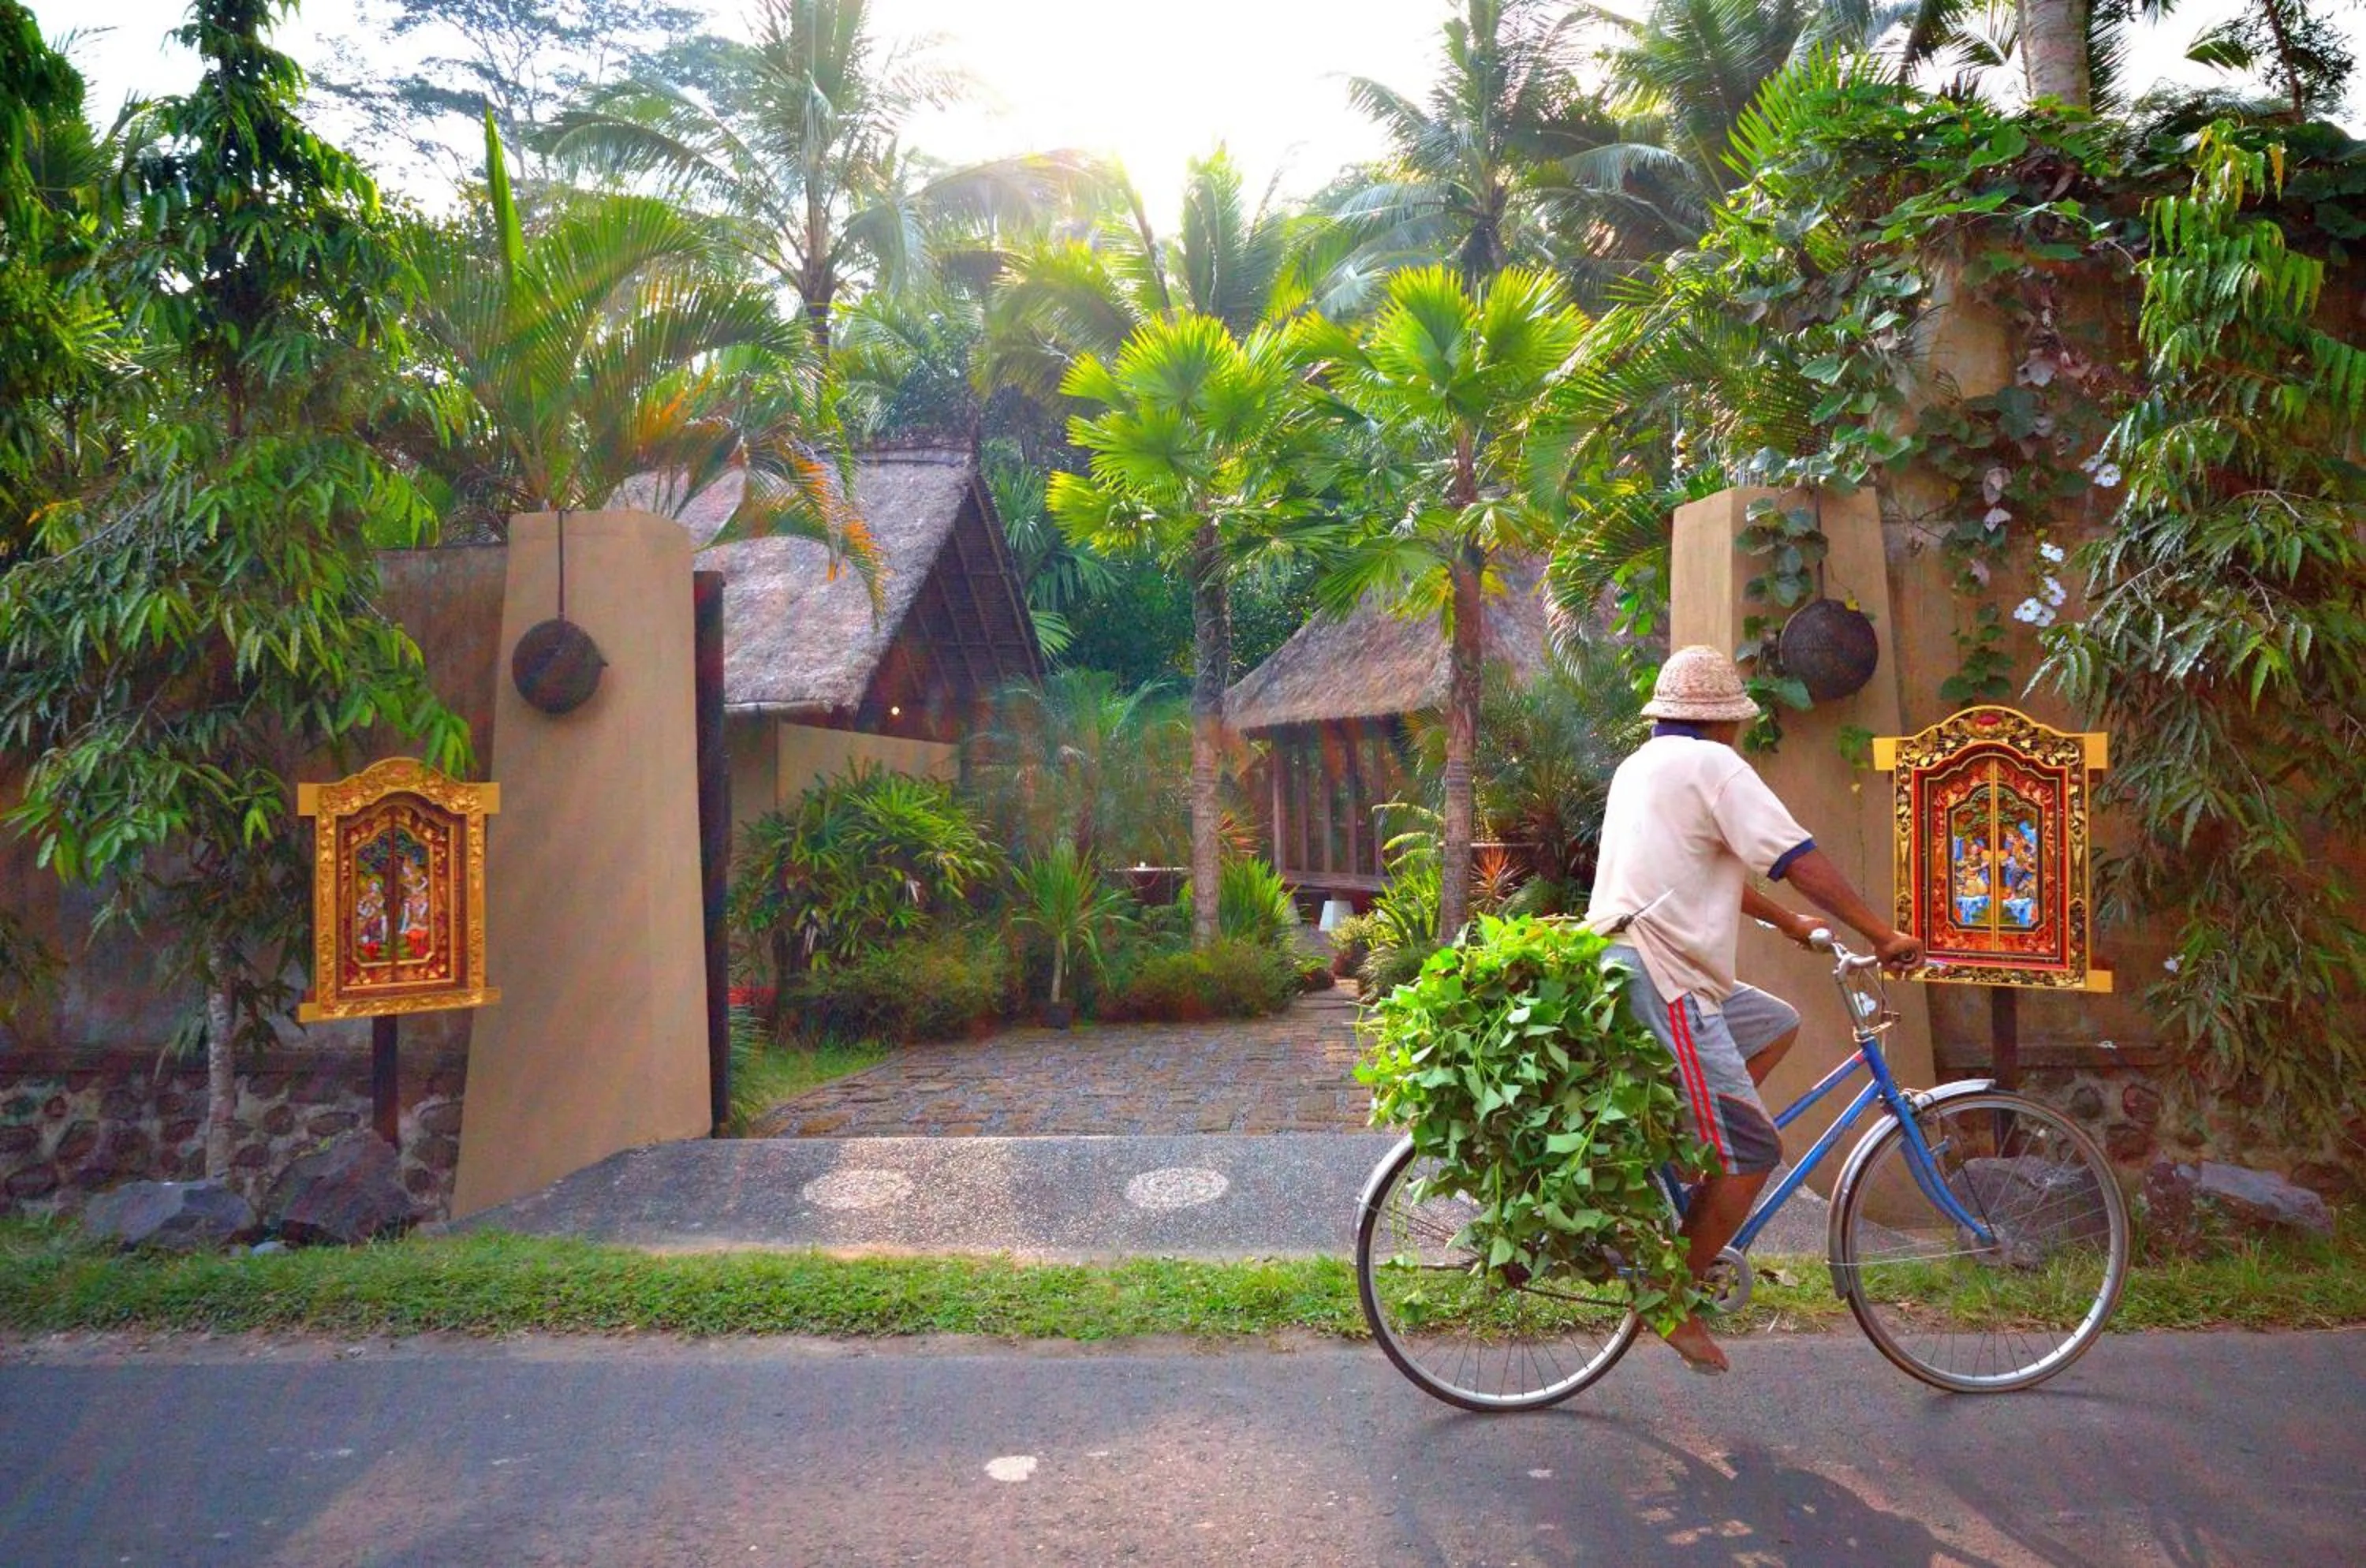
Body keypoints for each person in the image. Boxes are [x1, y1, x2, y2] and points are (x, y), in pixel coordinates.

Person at [1585, 645, 1923, 1374]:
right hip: (1663, 977)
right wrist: (1881, 934)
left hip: (1633, 965)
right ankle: (1666, 1295)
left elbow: (1703, 866)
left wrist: (1788, 922)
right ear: (1721, 722)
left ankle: (1698, 1156)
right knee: (1755, 1150)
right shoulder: (1715, 766)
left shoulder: (1640, 767)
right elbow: (1797, 857)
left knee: (1775, 1022)